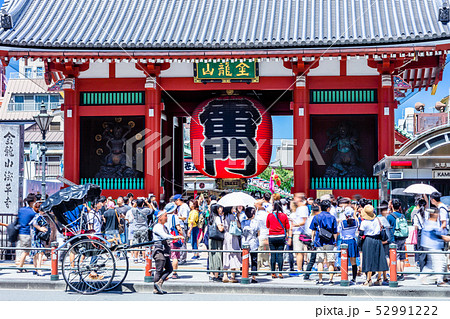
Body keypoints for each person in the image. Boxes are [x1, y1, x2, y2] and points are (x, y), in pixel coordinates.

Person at [152, 209, 184, 294]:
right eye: (165, 216)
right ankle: (155, 288)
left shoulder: (164, 227)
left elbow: (168, 235)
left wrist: (175, 237)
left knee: (169, 269)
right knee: (159, 270)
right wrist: (176, 237)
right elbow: (164, 236)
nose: (166, 218)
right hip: (159, 250)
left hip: (165, 250)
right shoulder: (157, 227)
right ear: (160, 217)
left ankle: (159, 283)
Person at [359, 205, 389, 286]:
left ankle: (368, 279)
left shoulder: (364, 222)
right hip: (378, 240)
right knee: (379, 259)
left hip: (368, 240)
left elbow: (361, 233)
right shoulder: (378, 220)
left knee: (368, 259)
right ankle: (379, 278)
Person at [420, 208, 450, 287]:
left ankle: (423, 277)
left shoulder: (428, 222)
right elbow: (440, 236)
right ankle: (440, 280)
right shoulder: (432, 224)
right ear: (435, 214)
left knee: (431, 264)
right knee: (440, 263)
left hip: (430, 246)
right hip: (433, 246)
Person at [309, 200, 338, 284]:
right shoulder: (332, 217)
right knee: (331, 261)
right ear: (328, 208)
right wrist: (335, 241)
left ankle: (320, 279)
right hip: (330, 241)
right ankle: (331, 279)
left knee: (320, 261)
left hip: (319, 241)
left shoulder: (316, 217)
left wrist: (312, 239)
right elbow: (335, 231)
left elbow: (313, 230)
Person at [266, 200, 291, 279]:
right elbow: (287, 227)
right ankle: (280, 272)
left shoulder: (269, 215)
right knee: (280, 255)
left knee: (273, 255)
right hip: (281, 236)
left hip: (272, 236)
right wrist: (287, 236)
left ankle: (273, 273)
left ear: (273, 206)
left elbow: (267, 225)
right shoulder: (284, 215)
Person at [386, 199, 409, 281]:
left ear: (392, 206)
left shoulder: (390, 216)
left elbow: (387, 227)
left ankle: (399, 274)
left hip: (395, 238)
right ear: (399, 206)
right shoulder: (402, 215)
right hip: (403, 237)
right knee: (402, 256)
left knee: (397, 257)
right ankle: (402, 273)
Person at [337, 206, 359, 284]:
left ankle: (344, 277)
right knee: (353, 261)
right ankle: (354, 278)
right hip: (352, 242)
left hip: (344, 242)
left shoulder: (342, 223)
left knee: (344, 260)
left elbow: (338, 231)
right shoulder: (356, 222)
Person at [17, 194, 37, 271]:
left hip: (20, 232)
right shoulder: (32, 212)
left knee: (25, 251)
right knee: (25, 251)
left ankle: (22, 266)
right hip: (26, 233)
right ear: (32, 202)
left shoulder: (21, 210)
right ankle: (20, 267)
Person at [222, 207, 242, 283]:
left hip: (226, 236)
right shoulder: (232, 216)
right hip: (232, 236)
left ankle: (225, 275)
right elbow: (238, 226)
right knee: (233, 255)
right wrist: (237, 217)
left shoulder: (223, 217)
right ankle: (232, 276)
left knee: (226, 254)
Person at [29, 202, 49, 276]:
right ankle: (39, 269)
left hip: (35, 235)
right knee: (40, 253)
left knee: (36, 253)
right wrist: (41, 228)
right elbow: (34, 223)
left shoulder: (36, 215)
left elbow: (32, 223)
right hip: (38, 236)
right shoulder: (39, 216)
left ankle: (35, 269)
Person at [290, 198, 309, 274]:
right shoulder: (299, 212)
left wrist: (294, 225)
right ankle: (300, 268)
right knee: (299, 252)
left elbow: (303, 222)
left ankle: (299, 269)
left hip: (297, 233)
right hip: (300, 233)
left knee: (298, 252)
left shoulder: (294, 214)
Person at [241, 206, 260, 283]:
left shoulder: (242, 222)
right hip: (253, 243)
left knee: (245, 260)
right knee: (254, 260)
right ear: (253, 215)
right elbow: (258, 232)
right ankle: (254, 277)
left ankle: (245, 274)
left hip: (244, 243)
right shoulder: (256, 222)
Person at [165, 202, 183, 279]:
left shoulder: (163, 216)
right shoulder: (174, 217)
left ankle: (165, 274)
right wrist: (182, 235)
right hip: (173, 238)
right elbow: (178, 228)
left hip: (165, 238)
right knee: (174, 256)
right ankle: (174, 273)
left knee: (166, 256)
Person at [131, 198, 151, 263]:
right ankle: (143, 258)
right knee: (144, 244)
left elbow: (133, 206)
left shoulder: (134, 210)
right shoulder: (146, 210)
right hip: (144, 228)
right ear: (143, 203)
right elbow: (151, 210)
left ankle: (136, 258)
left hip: (136, 228)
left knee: (136, 244)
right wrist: (147, 203)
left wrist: (136, 203)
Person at [208, 204, 224, 282]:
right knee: (217, 255)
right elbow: (220, 229)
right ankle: (216, 275)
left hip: (211, 238)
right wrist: (224, 226)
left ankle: (211, 274)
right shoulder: (217, 218)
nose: (220, 209)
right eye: (219, 208)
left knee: (212, 255)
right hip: (217, 239)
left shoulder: (210, 217)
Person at [303, 205, 320, 280]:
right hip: (315, 239)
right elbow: (313, 231)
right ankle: (307, 274)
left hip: (309, 238)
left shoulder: (309, 218)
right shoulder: (315, 218)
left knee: (312, 258)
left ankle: (307, 274)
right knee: (314, 258)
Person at [174, 194, 190, 264]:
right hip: (181, 225)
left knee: (182, 242)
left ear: (179, 200)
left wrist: (176, 216)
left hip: (183, 225)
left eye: (176, 201)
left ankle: (183, 258)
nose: (175, 202)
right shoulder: (180, 207)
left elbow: (184, 217)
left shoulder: (184, 207)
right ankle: (181, 257)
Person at [255, 199, 269, 270]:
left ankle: (257, 267)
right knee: (268, 251)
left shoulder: (257, 215)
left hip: (260, 235)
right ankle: (269, 266)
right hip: (267, 233)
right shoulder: (268, 214)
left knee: (259, 252)